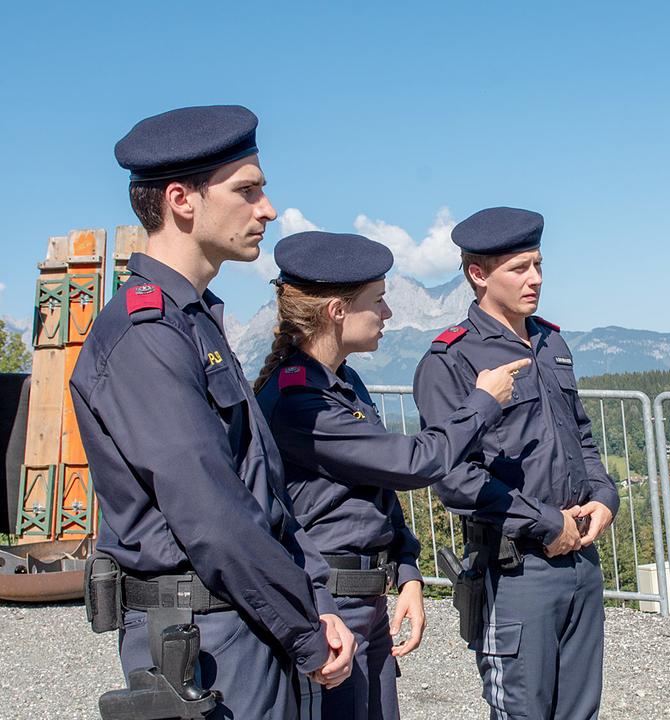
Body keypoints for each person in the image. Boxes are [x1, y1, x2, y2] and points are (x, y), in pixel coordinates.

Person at [70, 105, 355, 719]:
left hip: (245, 620)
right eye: (247, 190)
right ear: (182, 200)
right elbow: (210, 511)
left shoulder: (193, 320)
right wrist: (305, 629)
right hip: (204, 638)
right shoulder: (147, 333)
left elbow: (265, 497)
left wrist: (316, 598)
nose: (268, 210)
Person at [253, 230, 529, 719]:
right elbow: (411, 463)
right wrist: (482, 403)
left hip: (363, 600)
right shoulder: (299, 402)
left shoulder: (342, 381)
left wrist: (405, 572)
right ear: (337, 311)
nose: (388, 314)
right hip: (328, 608)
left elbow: (373, 490)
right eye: (378, 302)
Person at [413, 207, 620, 720]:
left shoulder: (552, 342)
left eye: (539, 264)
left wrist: (604, 496)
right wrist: (545, 522)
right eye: (519, 268)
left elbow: (582, 435)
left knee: (580, 711)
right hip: (516, 569)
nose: (536, 279)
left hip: (580, 558)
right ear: (478, 275)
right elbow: (452, 476)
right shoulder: (451, 360)